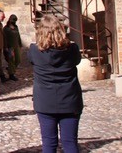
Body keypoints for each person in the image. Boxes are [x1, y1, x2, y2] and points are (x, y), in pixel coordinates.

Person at [28, 15, 83, 153]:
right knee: (70, 143)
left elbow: (32, 61)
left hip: (45, 102)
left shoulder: (35, 51)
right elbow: (77, 61)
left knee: (49, 144)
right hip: (70, 100)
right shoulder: (72, 49)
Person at [4, 14, 22, 81]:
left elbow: (18, 36)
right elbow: (4, 38)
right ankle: (11, 74)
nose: (14, 21)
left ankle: (10, 69)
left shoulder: (16, 27)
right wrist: (5, 47)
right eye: (13, 20)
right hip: (10, 47)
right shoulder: (6, 29)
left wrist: (20, 44)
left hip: (16, 46)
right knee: (11, 60)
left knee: (18, 59)